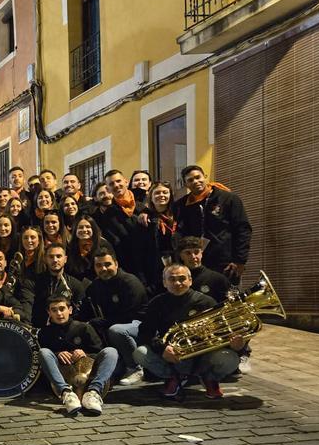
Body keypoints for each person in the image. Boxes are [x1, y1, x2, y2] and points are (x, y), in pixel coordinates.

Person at [134, 263, 245, 399]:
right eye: (172, 279)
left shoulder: (206, 302)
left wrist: (235, 345)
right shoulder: (157, 303)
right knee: (140, 353)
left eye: (182, 278)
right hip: (173, 357)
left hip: (202, 357)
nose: (178, 283)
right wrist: (162, 348)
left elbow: (220, 332)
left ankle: (209, 378)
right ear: (164, 283)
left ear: (190, 280)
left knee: (230, 359)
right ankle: (174, 377)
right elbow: (144, 334)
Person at [37, 294, 118, 415]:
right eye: (54, 310)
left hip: (88, 375)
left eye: (62, 309)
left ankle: (94, 393)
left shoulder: (84, 327)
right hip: (64, 376)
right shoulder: (44, 333)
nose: (59, 313)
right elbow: (45, 361)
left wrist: (85, 353)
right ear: (49, 312)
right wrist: (57, 354)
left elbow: (99, 352)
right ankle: (66, 393)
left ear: (69, 310)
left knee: (111, 351)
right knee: (43, 352)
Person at [172, 165, 252, 282]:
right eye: (190, 180)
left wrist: (240, 261)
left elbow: (243, 229)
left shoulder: (228, 198)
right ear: (185, 184)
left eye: (198, 177)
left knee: (227, 298)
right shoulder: (181, 205)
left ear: (205, 177)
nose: (196, 181)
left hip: (225, 262)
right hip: (196, 263)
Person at [83, 248, 149, 386]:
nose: (103, 268)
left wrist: (103, 322)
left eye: (107, 264)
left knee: (116, 330)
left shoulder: (130, 282)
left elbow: (130, 315)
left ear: (116, 264)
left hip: (139, 325)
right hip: (113, 326)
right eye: (99, 266)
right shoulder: (96, 286)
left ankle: (136, 368)